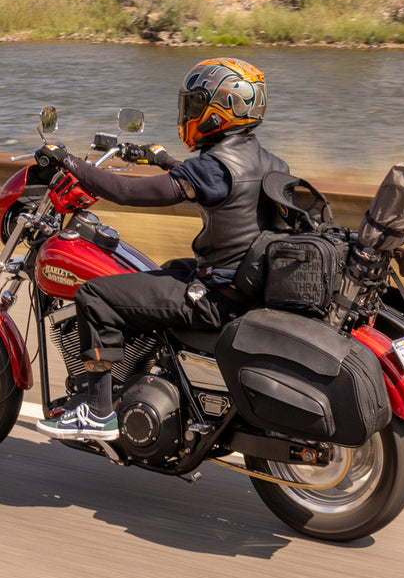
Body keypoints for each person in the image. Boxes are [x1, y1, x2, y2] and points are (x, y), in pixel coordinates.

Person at [35, 57, 289, 441]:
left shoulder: (212, 167)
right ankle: (147, 372)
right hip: (244, 284)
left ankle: (98, 411)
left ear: (218, 110)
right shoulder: (272, 162)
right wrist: (163, 160)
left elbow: (125, 191)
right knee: (164, 269)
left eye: (195, 103)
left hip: (216, 297)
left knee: (94, 295)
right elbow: (215, 187)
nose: (188, 112)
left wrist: (67, 160)